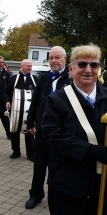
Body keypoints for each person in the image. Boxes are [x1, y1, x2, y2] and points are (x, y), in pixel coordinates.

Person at [41, 44, 107, 215]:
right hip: (68, 184)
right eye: (82, 64)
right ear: (71, 69)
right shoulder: (57, 99)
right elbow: (51, 134)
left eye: (94, 65)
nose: (88, 69)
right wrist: (90, 150)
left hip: (102, 184)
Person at [25, 46, 71, 209]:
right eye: (51, 58)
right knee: (39, 165)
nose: (53, 61)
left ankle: (56, 196)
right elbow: (35, 101)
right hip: (43, 130)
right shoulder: (44, 78)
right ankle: (35, 194)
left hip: (62, 132)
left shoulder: (71, 78)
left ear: (65, 59)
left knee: (57, 166)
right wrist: (30, 122)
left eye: (57, 57)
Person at [6, 59, 37, 161]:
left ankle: (31, 153)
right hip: (15, 109)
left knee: (29, 130)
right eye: (27, 66)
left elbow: (38, 95)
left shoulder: (35, 79)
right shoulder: (13, 78)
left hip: (29, 111)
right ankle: (16, 151)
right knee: (14, 130)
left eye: (31, 66)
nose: (29, 68)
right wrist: (8, 101)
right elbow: (7, 92)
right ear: (21, 66)